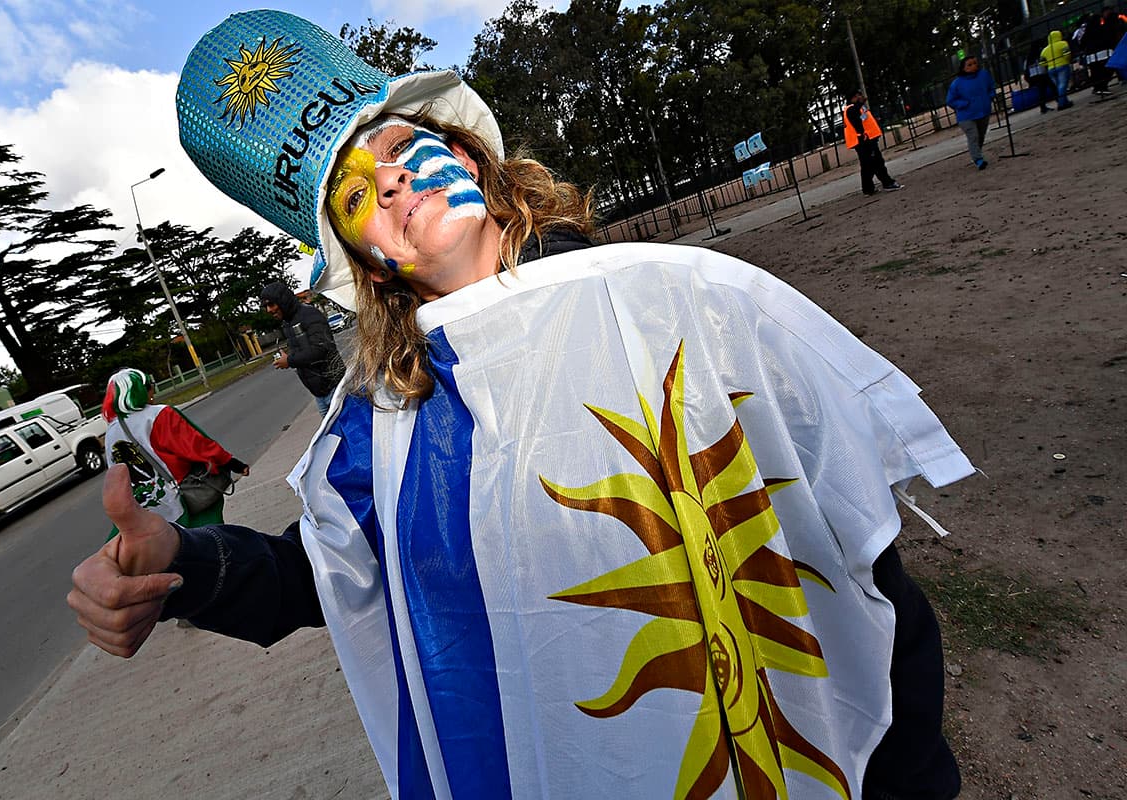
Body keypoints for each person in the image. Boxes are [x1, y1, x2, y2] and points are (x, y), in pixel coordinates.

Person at [70, 11, 973, 800]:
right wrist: (186, 563)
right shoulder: (379, 430)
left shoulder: (668, 306)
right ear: (367, 259)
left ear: (465, 155)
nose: (387, 182)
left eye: (395, 147)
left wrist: (909, 782)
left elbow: (853, 560)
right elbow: (336, 573)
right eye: (354, 194)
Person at [102, 367, 249, 529]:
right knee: (209, 540)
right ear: (142, 389)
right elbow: (197, 445)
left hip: (141, 512)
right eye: (151, 385)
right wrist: (234, 464)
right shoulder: (158, 415)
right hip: (181, 501)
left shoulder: (111, 430)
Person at [259, 281, 345, 417]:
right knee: (332, 437)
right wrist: (289, 358)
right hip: (320, 394)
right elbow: (305, 352)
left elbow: (321, 349)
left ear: (282, 301)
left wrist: (289, 360)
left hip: (335, 388)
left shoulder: (310, 315)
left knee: (351, 433)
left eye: (271, 304)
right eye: (265, 306)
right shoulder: (288, 323)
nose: (269, 310)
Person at [843, 89, 903, 195]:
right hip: (864, 141)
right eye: (859, 95)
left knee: (868, 166)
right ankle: (887, 183)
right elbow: (857, 123)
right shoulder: (852, 109)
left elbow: (863, 119)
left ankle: (868, 189)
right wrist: (862, 134)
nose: (861, 96)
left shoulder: (858, 108)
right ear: (853, 98)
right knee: (876, 162)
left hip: (867, 139)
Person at [946, 55, 997, 170]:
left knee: (980, 136)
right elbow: (950, 100)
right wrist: (963, 104)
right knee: (973, 136)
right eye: (970, 65)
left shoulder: (984, 75)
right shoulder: (957, 83)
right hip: (966, 115)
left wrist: (990, 96)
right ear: (963, 68)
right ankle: (978, 159)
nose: (974, 66)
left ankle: (976, 154)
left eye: (975, 63)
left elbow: (991, 86)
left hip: (983, 111)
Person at [1085, 7, 1127, 96]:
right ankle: (1102, 87)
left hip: (1091, 56)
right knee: (1106, 70)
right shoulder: (1102, 28)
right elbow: (1107, 38)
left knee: (1096, 72)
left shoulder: (1088, 30)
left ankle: (1098, 87)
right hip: (1102, 53)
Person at [1040, 30, 1075, 109]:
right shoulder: (1063, 44)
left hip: (1051, 69)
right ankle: (1061, 104)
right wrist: (1067, 60)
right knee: (1062, 86)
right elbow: (1067, 55)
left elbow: (1042, 63)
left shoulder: (1044, 50)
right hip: (1062, 65)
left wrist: (1049, 64)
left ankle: (1065, 102)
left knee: (1059, 86)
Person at [1024, 41, 1057, 113]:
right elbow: (1045, 63)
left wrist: (1029, 79)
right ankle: (1059, 100)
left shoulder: (1028, 58)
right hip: (1042, 74)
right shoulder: (1040, 54)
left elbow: (1025, 69)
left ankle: (1043, 107)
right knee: (1052, 87)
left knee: (1042, 91)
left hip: (1033, 76)